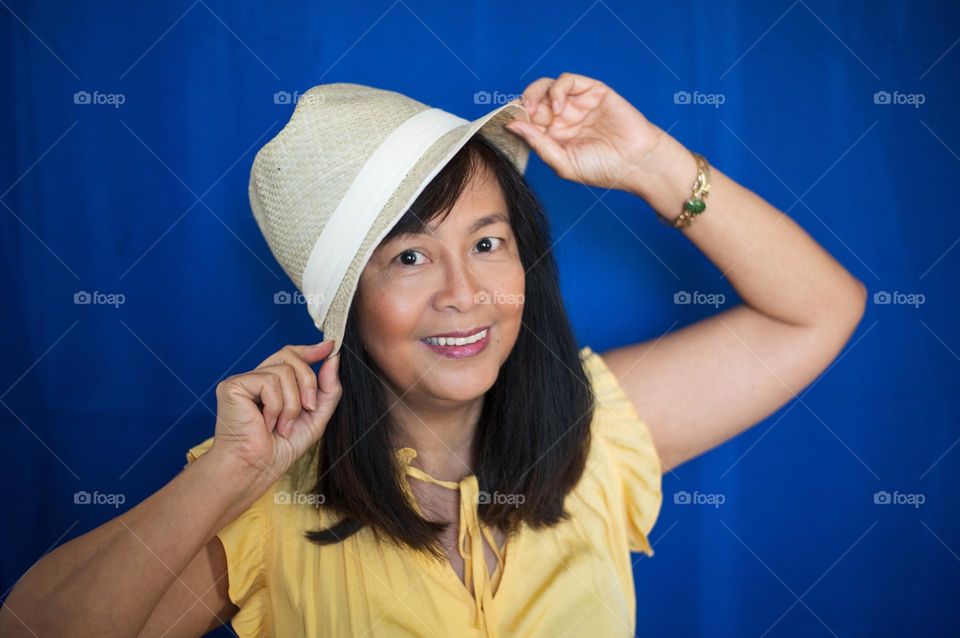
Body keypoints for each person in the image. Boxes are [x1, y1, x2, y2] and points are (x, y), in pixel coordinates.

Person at [0, 73, 866, 637]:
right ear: (348, 308)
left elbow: (820, 310)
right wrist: (225, 473)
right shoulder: (266, 498)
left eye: (488, 243)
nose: (465, 292)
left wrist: (650, 161)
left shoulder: (601, 431)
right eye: (409, 256)